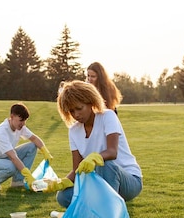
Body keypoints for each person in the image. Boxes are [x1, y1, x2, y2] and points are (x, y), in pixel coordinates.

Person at [44, 80, 142, 208]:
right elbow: (77, 169)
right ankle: (97, 205)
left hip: (128, 181)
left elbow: (112, 152)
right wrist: (62, 182)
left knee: (106, 165)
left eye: (79, 108)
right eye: (71, 111)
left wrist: (94, 158)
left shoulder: (108, 116)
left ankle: (107, 212)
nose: (76, 115)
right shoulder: (74, 131)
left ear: (90, 102)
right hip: (98, 182)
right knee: (64, 196)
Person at [0, 103, 53, 191]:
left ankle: (17, 181)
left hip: (6, 158)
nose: (23, 123)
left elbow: (34, 138)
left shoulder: (20, 127)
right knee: (11, 166)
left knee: (32, 146)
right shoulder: (1, 132)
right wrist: (28, 175)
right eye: (21, 120)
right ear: (12, 116)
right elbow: (13, 157)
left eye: (25, 120)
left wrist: (45, 151)